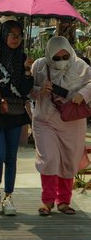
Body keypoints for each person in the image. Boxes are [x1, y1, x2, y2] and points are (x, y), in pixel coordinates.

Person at [30, 36, 91, 216]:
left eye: (65, 57)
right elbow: (29, 90)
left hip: (72, 122)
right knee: (49, 158)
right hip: (45, 119)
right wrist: (40, 89)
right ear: (49, 56)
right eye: (56, 58)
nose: (62, 61)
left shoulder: (81, 66)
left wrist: (83, 93)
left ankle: (64, 201)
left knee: (69, 160)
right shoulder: (39, 66)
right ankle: (47, 201)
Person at [0, 19, 34, 216]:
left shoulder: (23, 58)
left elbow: (26, 90)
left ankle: (8, 196)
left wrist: (28, 71)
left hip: (16, 113)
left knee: (12, 157)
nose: (15, 38)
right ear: (3, 35)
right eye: (11, 34)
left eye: (19, 35)